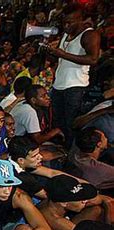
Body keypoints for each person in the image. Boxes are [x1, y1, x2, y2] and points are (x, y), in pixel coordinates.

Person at [48, 3, 101, 148]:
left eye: (70, 22)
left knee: (72, 124)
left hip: (76, 87)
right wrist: (51, 51)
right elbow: (59, 58)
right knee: (58, 123)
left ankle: (72, 156)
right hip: (59, 85)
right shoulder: (65, 34)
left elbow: (93, 59)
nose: (66, 25)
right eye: (64, 22)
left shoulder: (89, 34)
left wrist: (63, 54)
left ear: (81, 19)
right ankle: (61, 151)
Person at [39, 175, 112, 230]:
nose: (85, 200)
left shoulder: (62, 199)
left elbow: (107, 200)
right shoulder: (55, 220)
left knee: (97, 210)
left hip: (70, 221)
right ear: (64, 203)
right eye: (80, 199)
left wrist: (110, 224)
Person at [8, 136, 83, 199]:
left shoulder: (12, 159)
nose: (40, 157)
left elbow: (52, 173)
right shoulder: (24, 178)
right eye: (34, 156)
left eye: (39, 153)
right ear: (21, 160)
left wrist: (82, 182)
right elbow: (46, 196)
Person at [71, 128, 114, 192]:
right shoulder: (100, 169)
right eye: (104, 137)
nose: (106, 139)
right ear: (99, 144)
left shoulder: (75, 153)